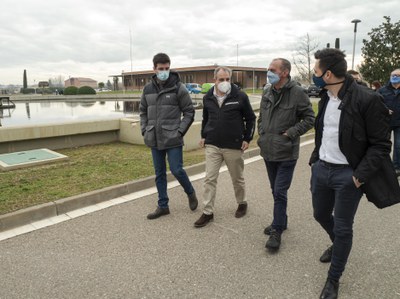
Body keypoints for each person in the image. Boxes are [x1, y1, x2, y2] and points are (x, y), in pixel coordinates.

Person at [310, 48, 400, 299]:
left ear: (327, 74)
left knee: (343, 227)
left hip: (348, 175)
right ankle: (338, 244)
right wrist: (315, 161)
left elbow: (381, 144)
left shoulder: (367, 99)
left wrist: (359, 176)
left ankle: (333, 279)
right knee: (319, 215)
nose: (313, 75)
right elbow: (323, 132)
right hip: (321, 170)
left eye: (315, 71)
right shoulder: (326, 96)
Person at [257, 58, 315, 250]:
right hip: (268, 150)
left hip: (286, 152)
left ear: (285, 72)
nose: (269, 72)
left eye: (272, 70)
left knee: (280, 191)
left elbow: (309, 118)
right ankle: (281, 219)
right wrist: (262, 133)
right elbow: (261, 117)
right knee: (275, 190)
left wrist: (291, 133)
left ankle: (277, 230)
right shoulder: (267, 91)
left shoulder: (297, 92)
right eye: (268, 69)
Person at [194, 66, 256, 228]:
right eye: (221, 79)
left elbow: (250, 119)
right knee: (209, 179)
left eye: (227, 79)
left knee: (237, 178)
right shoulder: (208, 97)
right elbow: (205, 119)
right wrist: (203, 135)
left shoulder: (240, 96)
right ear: (215, 80)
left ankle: (242, 203)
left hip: (233, 144)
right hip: (213, 144)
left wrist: (247, 138)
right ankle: (208, 212)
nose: (224, 82)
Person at [139, 53, 198, 220]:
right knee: (159, 173)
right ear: (154, 69)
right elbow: (142, 111)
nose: (164, 71)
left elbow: (189, 112)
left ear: (169, 67)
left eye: (166, 68)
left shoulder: (178, 87)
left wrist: (179, 132)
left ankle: (190, 192)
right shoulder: (147, 89)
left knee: (176, 170)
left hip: (173, 138)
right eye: (160, 69)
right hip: (154, 138)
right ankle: (163, 205)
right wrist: (145, 130)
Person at [378, 68, 400, 176]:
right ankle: (383, 166)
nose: (394, 77)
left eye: (397, 75)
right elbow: (376, 103)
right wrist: (385, 109)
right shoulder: (383, 90)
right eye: (393, 75)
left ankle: (396, 167)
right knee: (383, 144)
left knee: (398, 145)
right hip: (385, 121)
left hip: (399, 122)